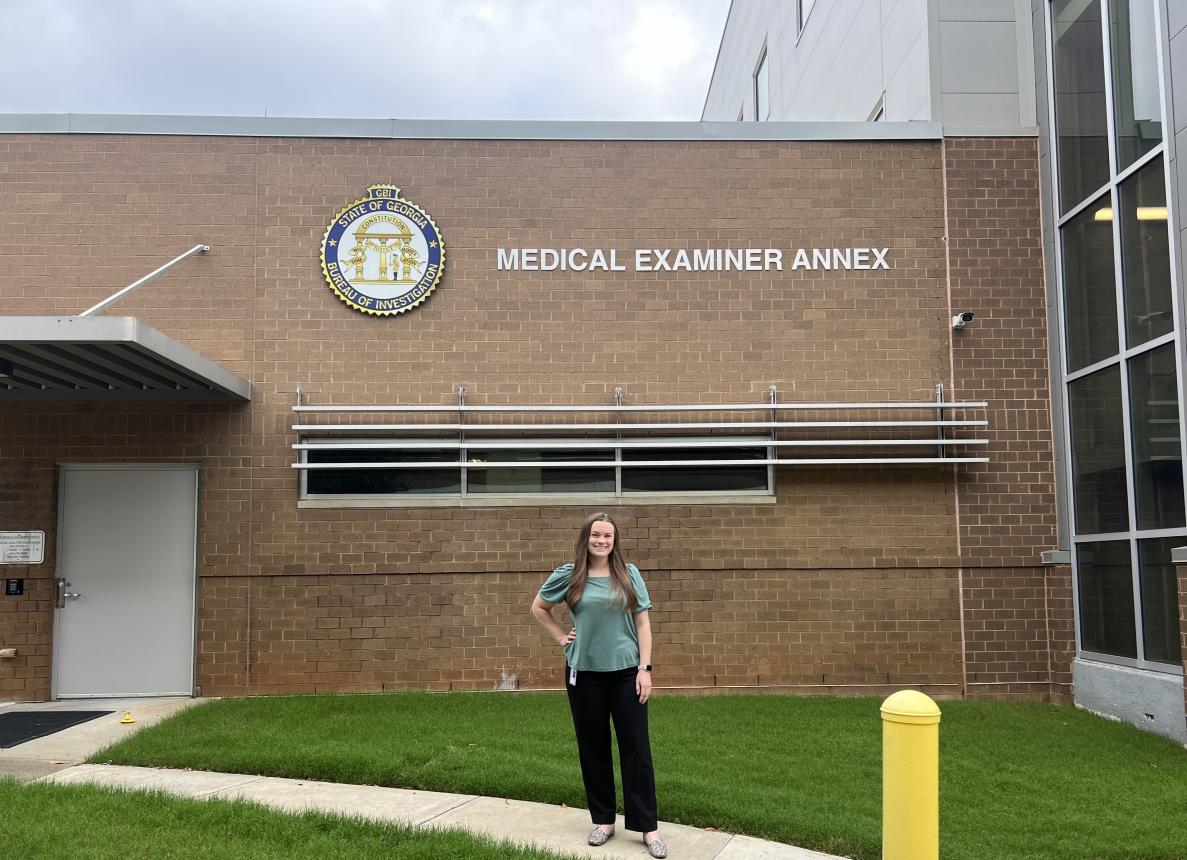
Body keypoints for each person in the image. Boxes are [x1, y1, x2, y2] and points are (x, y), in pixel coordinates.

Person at [531, 512, 667, 859]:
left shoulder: (628, 574)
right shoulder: (569, 575)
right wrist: (560, 637)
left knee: (636, 748)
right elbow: (539, 607)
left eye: (607, 535)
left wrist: (645, 669)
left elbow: (643, 624)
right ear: (585, 538)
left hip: (626, 674)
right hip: (584, 675)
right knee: (594, 749)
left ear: (615, 540)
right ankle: (604, 821)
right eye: (596, 535)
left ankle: (648, 828)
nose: (602, 541)